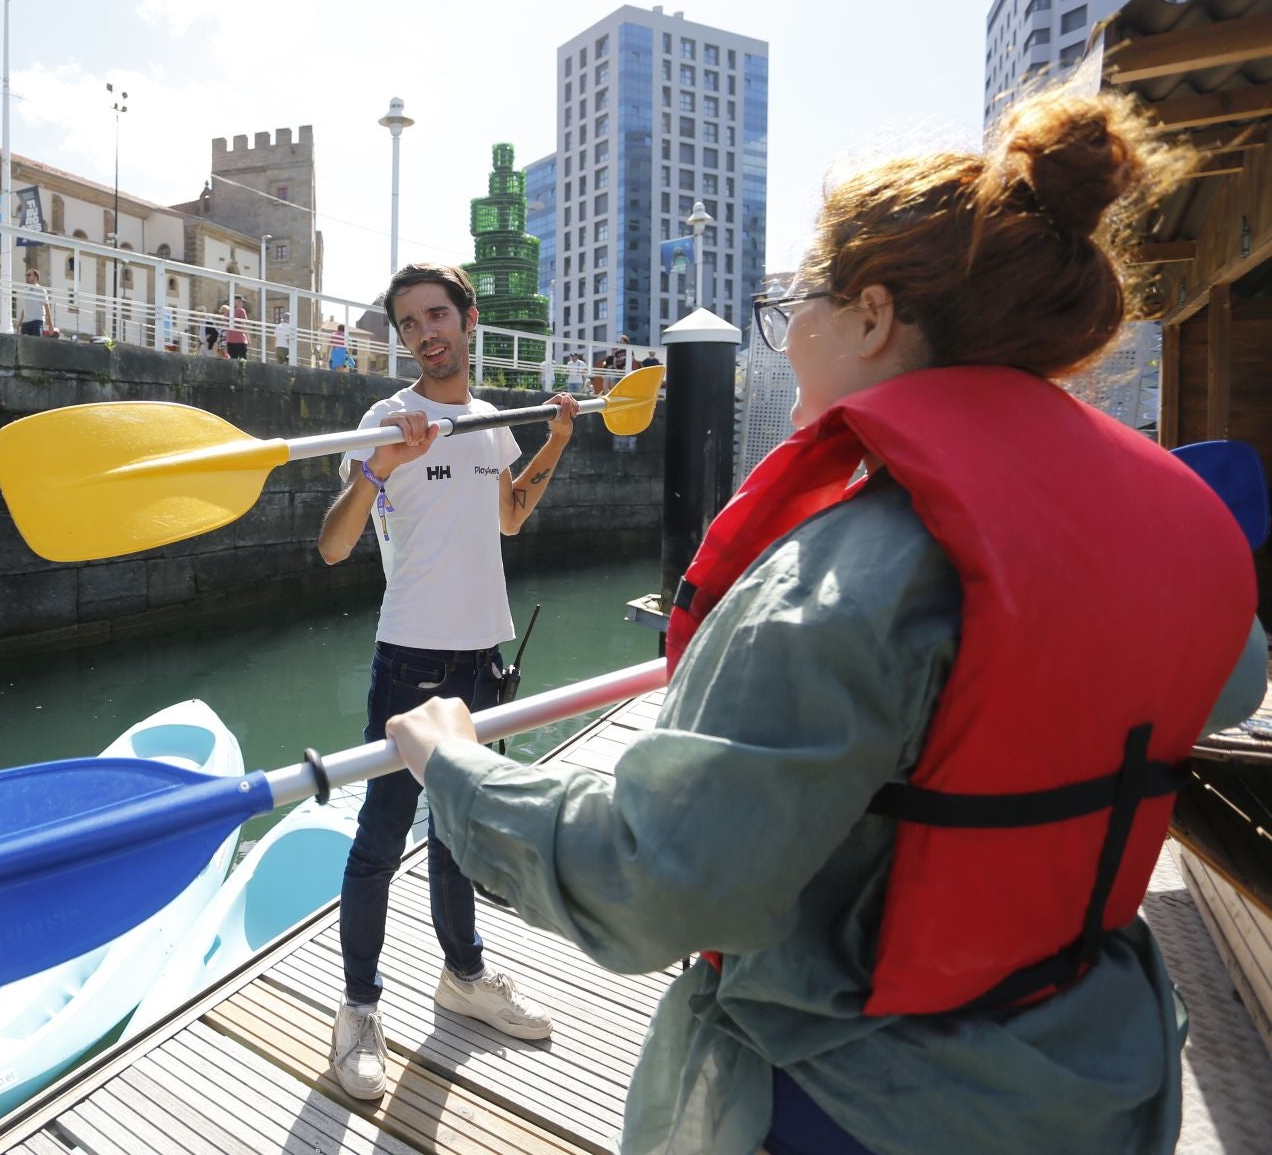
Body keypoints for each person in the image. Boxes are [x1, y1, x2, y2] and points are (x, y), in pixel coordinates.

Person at [380, 88, 1269, 1155]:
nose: (788, 329)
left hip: (855, 1098)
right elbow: (1231, 681)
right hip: (1096, 1074)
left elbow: (663, 877)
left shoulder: (850, 574)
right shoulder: (1169, 530)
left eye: (801, 295)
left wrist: (461, 773)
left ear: (875, 315)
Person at [316, 262, 582, 1102]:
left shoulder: (489, 418)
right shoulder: (385, 418)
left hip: (481, 662)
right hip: (410, 662)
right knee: (379, 844)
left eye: (437, 315)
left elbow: (507, 515)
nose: (426, 332)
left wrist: (555, 443)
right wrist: (375, 468)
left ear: (467, 320)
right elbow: (330, 546)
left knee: (460, 834)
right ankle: (358, 1009)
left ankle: (462, 978)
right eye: (408, 323)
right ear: (401, 338)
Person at [18, 268, 54, 337]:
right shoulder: (25, 290)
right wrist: (20, 323)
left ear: (35, 277)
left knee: (36, 345)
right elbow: (24, 308)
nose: (26, 277)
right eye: (26, 275)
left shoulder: (41, 290)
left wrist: (50, 325)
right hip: (25, 323)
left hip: (37, 322)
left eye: (29, 275)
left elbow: (47, 307)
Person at [223, 296, 250, 360]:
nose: (242, 303)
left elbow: (225, 325)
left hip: (230, 340)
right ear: (237, 302)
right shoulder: (241, 310)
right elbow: (243, 325)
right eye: (241, 302)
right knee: (243, 360)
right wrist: (248, 338)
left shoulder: (227, 311)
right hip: (240, 340)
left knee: (232, 360)